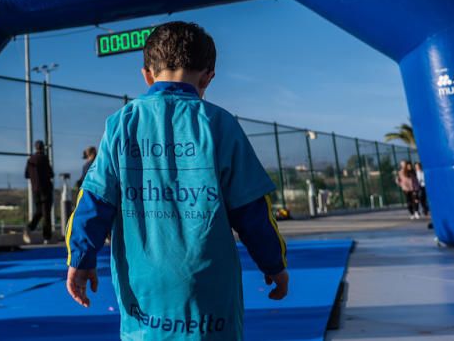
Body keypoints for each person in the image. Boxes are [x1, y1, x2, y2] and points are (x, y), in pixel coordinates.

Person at [65, 21, 288, 340]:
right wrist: (274, 264)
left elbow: (94, 202)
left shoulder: (121, 123)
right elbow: (253, 211)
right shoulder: (220, 124)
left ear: (146, 75)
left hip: (143, 283)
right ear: (208, 76)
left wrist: (81, 257)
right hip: (208, 283)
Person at [24, 140, 54, 243]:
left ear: (35, 148)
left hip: (35, 190)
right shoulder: (44, 159)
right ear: (43, 148)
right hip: (45, 189)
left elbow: (26, 175)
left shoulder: (30, 160)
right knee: (46, 214)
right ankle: (47, 237)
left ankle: (29, 227)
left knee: (39, 211)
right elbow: (51, 174)